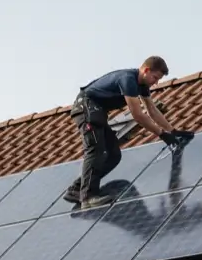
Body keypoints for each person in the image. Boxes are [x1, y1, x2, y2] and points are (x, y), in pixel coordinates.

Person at [64, 56, 191, 208]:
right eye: (155, 77)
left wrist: (173, 131)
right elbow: (137, 114)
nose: (155, 82)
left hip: (97, 112)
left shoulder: (141, 85)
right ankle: (88, 197)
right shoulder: (128, 80)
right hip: (86, 108)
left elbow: (151, 109)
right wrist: (162, 134)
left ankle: (76, 189)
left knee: (114, 155)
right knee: (95, 149)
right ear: (146, 70)